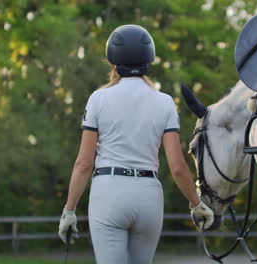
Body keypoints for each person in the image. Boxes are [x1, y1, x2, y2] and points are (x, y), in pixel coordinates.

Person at [58, 24, 214, 264]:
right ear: (148, 61)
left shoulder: (98, 99)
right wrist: (196, 203)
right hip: (148, 197)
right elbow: (178, 167)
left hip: (109, 193)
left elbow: (83, 163)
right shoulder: (164, 103)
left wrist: (69, 210)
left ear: (113, 62)